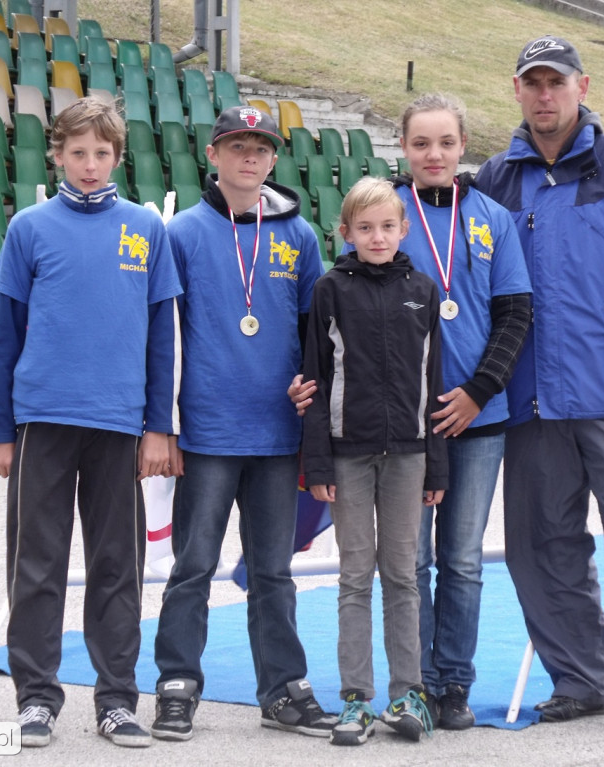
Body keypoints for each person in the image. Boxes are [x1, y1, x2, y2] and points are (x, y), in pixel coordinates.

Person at [291, 93, 532, 729]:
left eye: (446, 142)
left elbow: (515, 313)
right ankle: (414, 686)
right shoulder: (387, 212)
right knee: (409, 563)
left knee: (462, 561)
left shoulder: (492, 218)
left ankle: (452, 684)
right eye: (421, 143)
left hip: (477, 416)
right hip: (404, 423)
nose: (434, 154)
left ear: (463, 146)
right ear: (403, 146)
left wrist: (479, 390)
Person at [474, 35, 604, 741]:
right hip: (528, 398)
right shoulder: (495, 180)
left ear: (582, 87)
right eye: (532, 83)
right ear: (516, 90)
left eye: (556, 82)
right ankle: (579, 680)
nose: (545, 95)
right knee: (541, 548)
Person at [0, 96, 182, 749]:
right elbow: (6, 336)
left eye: (101, 153)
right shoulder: (29, 228)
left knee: (117, 565)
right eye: (78, 153)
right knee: (36, 564)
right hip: (42, 419)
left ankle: (117, 699)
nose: (90, 164)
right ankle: (36, 698)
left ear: (118, 156)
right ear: (58, 156)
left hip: (119, 424)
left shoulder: (145, 228)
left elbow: (162, 338)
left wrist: (159, 427)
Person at [151, 105, 335, 742]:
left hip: (278, 434)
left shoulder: (299, 236)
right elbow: (163, 336)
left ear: (274, 158)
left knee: (273, 572)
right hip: (207, 433)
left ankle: (283, 691)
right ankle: (177, 687)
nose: (249, 157)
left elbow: (317, 334)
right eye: (236, 146)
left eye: (260, 147)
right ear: (213, 155)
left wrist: (315, 405)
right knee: (193, 566)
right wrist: (163, 425)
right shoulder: (183, 233)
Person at [302, 177, 447, 745]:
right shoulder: (329, 290)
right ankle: (356, 699)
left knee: (403, 575)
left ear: (404, 229)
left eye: (387, 226)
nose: (377, 236)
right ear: (346, 232)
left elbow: (434, 381)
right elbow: (315, 379)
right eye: (365, 228)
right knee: (355, 577)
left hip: (410, 455)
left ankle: (408, 694)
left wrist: (437, 464)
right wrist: (318, 463)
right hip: (348, 456)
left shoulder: (423, 291)